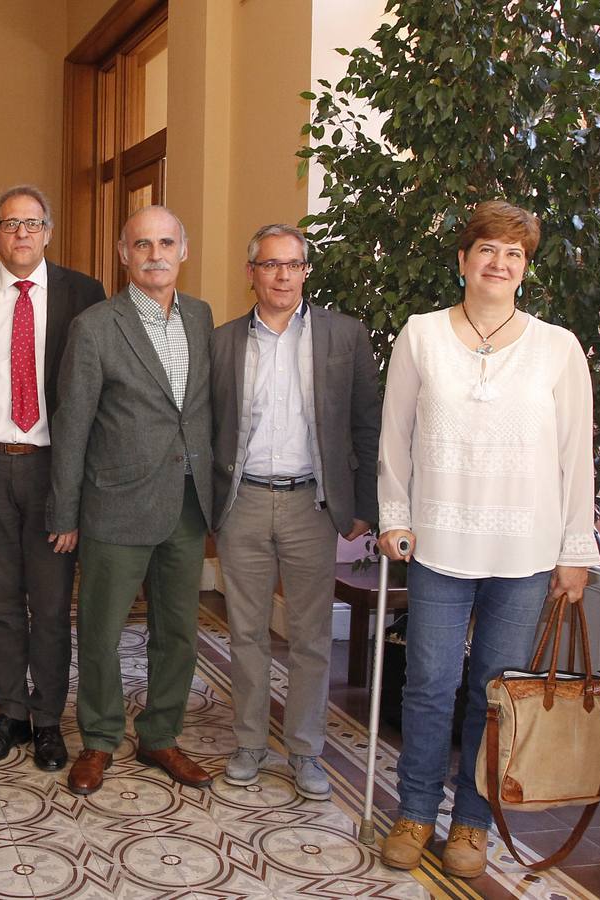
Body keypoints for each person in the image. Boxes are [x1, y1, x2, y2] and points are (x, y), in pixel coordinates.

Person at [376, 200, 599, 879]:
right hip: (440, 541)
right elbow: (396, 436)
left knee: (495, 691)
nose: (500, 263)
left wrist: (574, 552)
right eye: (488, 250)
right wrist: (394, 515)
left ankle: (471, 823)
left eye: (514, 254)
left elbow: (574, 457)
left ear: (524, 269)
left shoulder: (557, 348)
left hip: (526, 552)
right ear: (464, 259)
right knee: (430, 684)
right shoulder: (420, 336)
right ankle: (416, 811)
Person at [208, 224, 381, 801]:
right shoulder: (224, 340)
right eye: (270, 264)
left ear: (306, 271)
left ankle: (307, 749)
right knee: (247, 632)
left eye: (293, 264)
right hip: (245, 503)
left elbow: (366, 422)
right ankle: (250, 742)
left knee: (310, 636)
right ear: (251, 272)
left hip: (313, 503)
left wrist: (365, 506)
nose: (282, 275)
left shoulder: (346, 337)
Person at [50, 205, 214, 796]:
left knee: (178, 631)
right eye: (142, 244)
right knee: (101, 630)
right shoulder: (96, 326)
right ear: (124, 254)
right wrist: (64, 512)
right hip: (115, 505)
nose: (155, 255)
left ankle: (161, 735)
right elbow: (72, 425)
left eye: (166, 242)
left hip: (187, 505)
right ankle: (98, 740)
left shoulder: (200, 317)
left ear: (183, 250)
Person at [0, 185, 103, 771]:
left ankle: (48, 722)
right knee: (0, 601)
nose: (21, 234)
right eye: (10, 224)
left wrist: (78, 487)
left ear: (48, 231)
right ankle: (10, 713)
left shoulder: (83, 295)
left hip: (51, 469)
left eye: (32, 223)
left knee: (49, 603)